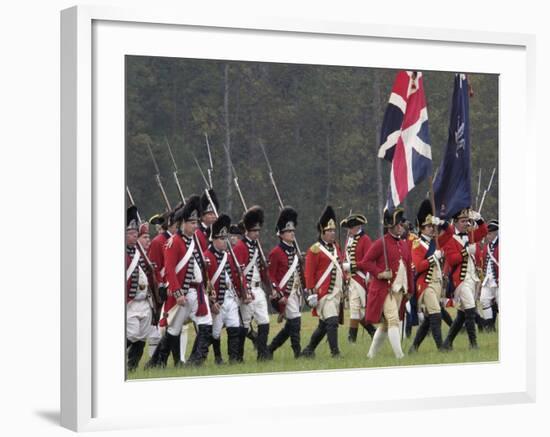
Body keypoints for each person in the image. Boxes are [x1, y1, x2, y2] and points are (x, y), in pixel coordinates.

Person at [145, 195, 213, 368]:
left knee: (206, 324)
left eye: (196, 222)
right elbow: (169, 269)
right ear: (182, 223)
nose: (195, 226)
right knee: (173, 331)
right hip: (183, 292)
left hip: (196, 292)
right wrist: (177, 292)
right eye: (191, 223)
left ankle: (195, 361)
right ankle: (157, 362)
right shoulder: (173, 242)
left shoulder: (193, 240)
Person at [358, 207, 413, 359]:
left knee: (386, 324)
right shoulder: (380, 243)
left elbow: (408, 268)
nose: (401, 226)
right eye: (399, 224)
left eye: (402, 224)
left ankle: (370, 355)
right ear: (392, 226)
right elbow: (365, 262)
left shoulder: (404, 244)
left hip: (400, 290)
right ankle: (400, 356)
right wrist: (380, 273)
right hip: (385, 289)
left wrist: (410, 290)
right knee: (393, 319)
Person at [440, 208, 488, 350]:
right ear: (455, 222)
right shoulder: (449, 238)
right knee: (471, 309)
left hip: (472, 278)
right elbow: (452, 259)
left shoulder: (470, 234)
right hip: (460, 280)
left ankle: (447, 343)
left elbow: (484, 231)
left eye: (467, 220)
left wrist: (479, 219)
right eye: (463, 221)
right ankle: (473, 344)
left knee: (462, 314)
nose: (466, 223)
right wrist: (466, 251)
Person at [408, 199, 453, 352]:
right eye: (428, 226)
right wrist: (434, 257)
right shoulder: (417, 244)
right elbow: (419, 267)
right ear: (421, 228)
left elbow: (451, 232)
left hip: (437, 284)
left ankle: (414, 347)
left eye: (432, 226)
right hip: (425, 284)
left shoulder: (436, 241)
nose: (432, 229)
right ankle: (442, 347)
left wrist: (441, 222)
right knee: (435, 315)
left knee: (428, 319)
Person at [301, 206, 345, 358]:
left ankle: (308, 350)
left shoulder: (336, 247)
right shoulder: (315, 249)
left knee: (324, 325)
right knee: (332, 322)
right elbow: (309, 273)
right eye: (329, 231)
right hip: (323, 293)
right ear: (322, 232)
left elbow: (338, 265)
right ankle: (335, 353)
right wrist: (310, 291)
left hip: (336, 293)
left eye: (333, 230)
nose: (333, 233)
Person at [233, 206, 273, 361]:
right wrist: (244, 292)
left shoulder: (257, 246)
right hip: (247, 289)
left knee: (264, 321)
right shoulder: (240, 247)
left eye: (258, 230)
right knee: (245, 324)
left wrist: (270, 288)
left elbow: (262, 270)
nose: (257, 233)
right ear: (247, 231)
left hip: (259, 290)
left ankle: (262, 354)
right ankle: (239, 356)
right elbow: (238, 272)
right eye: (254, 230)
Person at [205, 214, 245, 364]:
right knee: (215, 333)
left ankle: (233, 358)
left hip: (230, 298)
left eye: (225, 238)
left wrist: (242, 292)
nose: (224, 241)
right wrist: (211, 301)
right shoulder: (207, 256)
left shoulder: (228, 256)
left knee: (234, 328)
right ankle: (217, 357)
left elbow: (235, 276)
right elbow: (206, 282)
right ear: (213, 239)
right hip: (218, 301)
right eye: (221, 239)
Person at [267, 207, 303, 359]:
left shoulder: (294, 251)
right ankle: (297, 353)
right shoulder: (276, 252)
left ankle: (270, 349)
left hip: (295, 292)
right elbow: (270, 275)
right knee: (295, 322)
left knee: (290, 326)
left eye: (293, 231)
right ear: (281, 234)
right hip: (285, 294)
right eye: (289, 231)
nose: (292, 233)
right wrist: (278, 293)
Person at [340, 213, 376, 342]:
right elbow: (345, 259)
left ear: (357, 226)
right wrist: (345, 273)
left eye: (351, 227)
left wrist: (351, 267)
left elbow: (369, 261)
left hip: (360, 278)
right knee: (357, 311)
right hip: (351, 280)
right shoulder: (349, 240)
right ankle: (373, 332)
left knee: (355, 310)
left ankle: (352, 340)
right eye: (348, 228)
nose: (349, 230)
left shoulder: (365, 239)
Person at [126, 206, 154, 372]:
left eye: (135, 232)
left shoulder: (141, 253)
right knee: (131, 334)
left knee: (142, 336)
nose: (134, 235)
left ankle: (132, 367)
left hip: (144, 300)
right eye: (130, 233)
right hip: (130, 302)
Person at [480, 219, 499, 331]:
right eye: (487, 233)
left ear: (495, 233)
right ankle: (489, 326)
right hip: (488, 280)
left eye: (490, 233)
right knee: (484, 300)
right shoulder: (487, 246)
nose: (488, 236)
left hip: (498, 279)